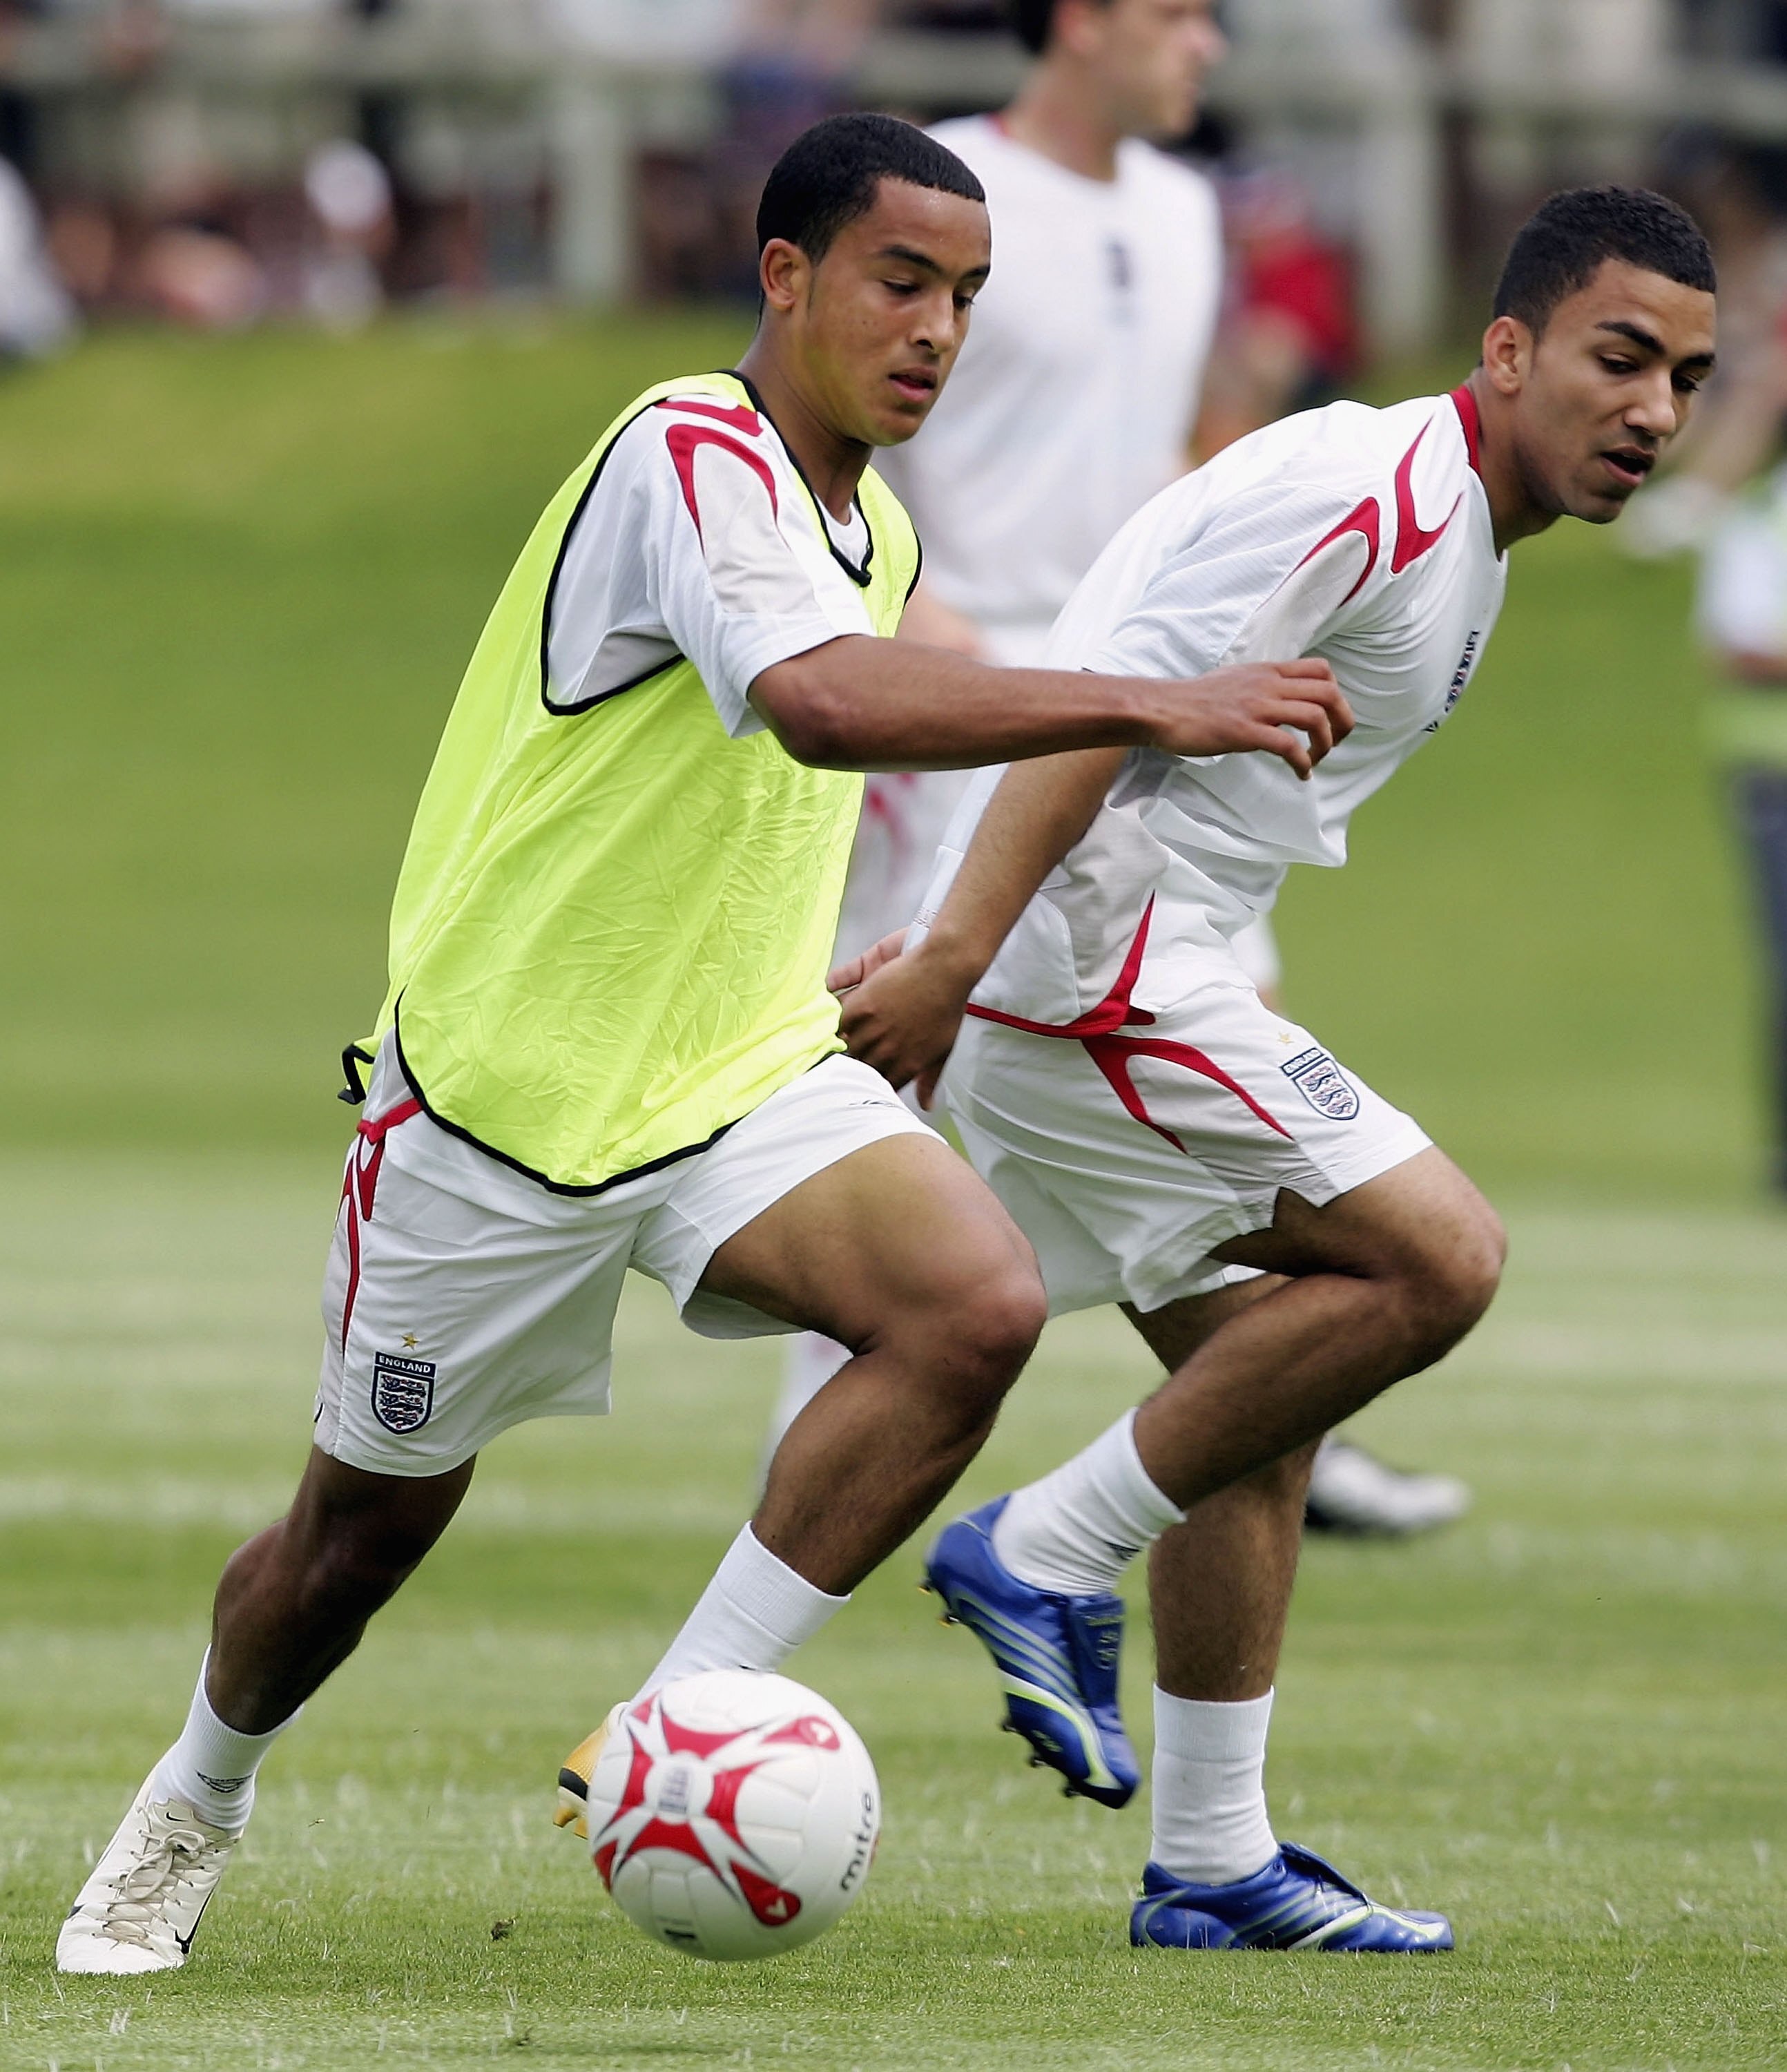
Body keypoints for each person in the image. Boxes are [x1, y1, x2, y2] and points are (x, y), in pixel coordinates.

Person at [55, 112, 1347, 1977]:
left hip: (739, 1076)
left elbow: (894, 682)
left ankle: (658, 1739)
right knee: (347, 1546)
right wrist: (1158, 695)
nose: (936, 331)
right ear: (785, 277)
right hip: (497, 1102)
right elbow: (818, 704)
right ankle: (196, 1796)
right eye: (902, 282)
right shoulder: (685, 448)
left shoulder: (876, 522)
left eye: (969, 299)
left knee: (969, 1307)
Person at [833, 184, 1717, 1951]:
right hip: (1088, 959)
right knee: (1437, 1256)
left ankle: (1211, 1866)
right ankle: (1038, 1550)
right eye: (1620, 361)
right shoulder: (1369, 495)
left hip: (1129, 955)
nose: (1654, 412)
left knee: (1255, 1395)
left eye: (1689, 379)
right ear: (1507, 347)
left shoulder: (1452, 517)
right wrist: (948, 956)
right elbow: (1096, 703)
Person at [766, 0, 1468, 1538]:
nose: (1206, 47)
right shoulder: (934, 184)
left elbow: (1171, 451)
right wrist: (910, 614)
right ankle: (816, 1442)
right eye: (1177, 15)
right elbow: (815, 417)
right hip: (966, 693)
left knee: (1231, 1018)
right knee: (897, 1066)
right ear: (1081, 21)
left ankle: (1270, 1411)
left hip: (1149, 693)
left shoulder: (1179, 208)